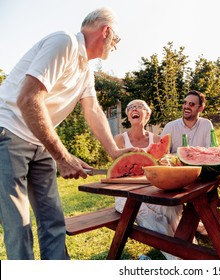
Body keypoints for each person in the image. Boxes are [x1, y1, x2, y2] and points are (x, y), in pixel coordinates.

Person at [0, 8, 135, 260]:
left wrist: (114, 152)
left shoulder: (86, 69)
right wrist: (63, 157)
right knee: (18, 227)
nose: (115, 47)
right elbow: (28, 98)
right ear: (106, 31)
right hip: (9, 134)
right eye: (116, 40)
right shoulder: (65, 42)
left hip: (40, 142)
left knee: (53, 222)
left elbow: (93, 110)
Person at [114, 100, 182, 260]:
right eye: (130, 107)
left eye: (139, 107)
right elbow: (117, 165)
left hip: (154, 189)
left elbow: (163, 167)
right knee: (145, 213)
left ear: (148, 115)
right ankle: (180, 259)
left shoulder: (157, 139)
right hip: (126, 194)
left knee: (172, 209)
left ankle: (188, 249)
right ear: (128, 116)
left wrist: (166, 162)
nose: (134, 109)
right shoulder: (119, 140)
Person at [161, 90, 213, 236]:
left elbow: (211, 151)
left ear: (200, 108)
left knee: (207, 195)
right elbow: (162, 154)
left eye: (191, 104)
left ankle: (196, 224)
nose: (186, 106)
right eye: (184, 103)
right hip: (176, 176)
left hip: (201, 175)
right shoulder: (170, 127)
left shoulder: (206, 124)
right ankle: (192, 226)